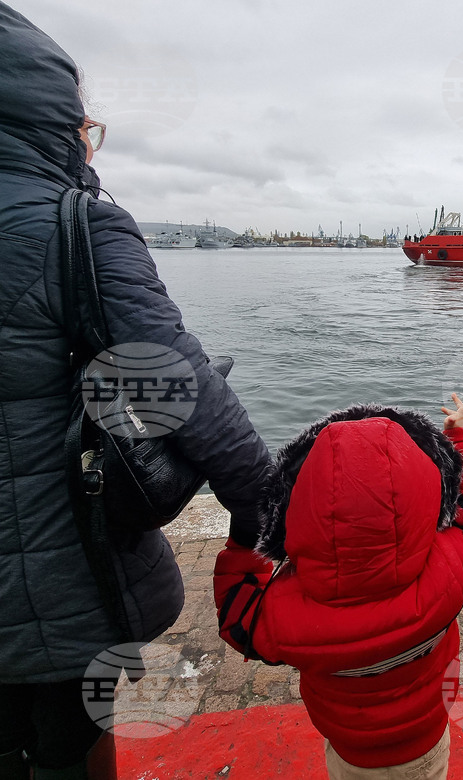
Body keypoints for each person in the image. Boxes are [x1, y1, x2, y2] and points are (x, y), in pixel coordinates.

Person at [0, 5, 271, 778]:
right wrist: (258, 505)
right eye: (84, 124)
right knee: (68, 748)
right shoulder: (74, 226)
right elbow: (176, 374)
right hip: (54, 585)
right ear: (47, 121)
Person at [214, 388, 463, 780]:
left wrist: (246, 538)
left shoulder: (283, 616)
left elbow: (236, 612)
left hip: (349, 750)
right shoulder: (450, 569)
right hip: (426, 739)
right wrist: (461, 435)